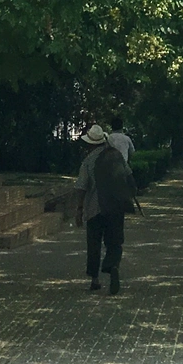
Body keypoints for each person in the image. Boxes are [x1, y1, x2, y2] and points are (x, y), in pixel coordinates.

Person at [75, 124, 136, 295]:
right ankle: (113, 265)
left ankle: (94, 279)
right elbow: (129, 176)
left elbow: (81, 186)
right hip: (116, 206)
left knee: (94, 243)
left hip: (95, 208)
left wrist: (79, 209)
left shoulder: (88, 161)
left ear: (90, 144)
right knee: (115, 241)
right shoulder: (116, 156)